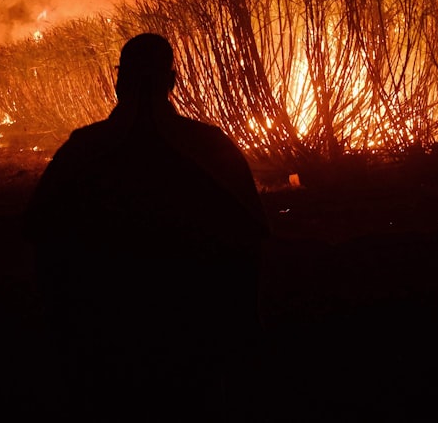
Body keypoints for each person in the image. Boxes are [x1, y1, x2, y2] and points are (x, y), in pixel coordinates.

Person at [26, 33, 269, 421]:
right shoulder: (210, 149)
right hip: (191, 342)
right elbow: (249, 237)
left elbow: (41, 234)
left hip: (100, 345)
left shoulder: (85, 149)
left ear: (117, 81)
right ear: (172, 82)